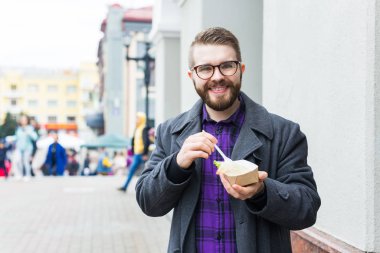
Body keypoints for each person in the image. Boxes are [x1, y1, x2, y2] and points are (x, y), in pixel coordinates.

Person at [135, 27, 321, 253]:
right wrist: (176, 165)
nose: (217, 76)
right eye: (205, 69)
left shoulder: (284, 133)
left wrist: (261, 192)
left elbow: (307, 209)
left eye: (227, 65)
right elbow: (149, 203)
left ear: (241, 69)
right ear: (192, 75)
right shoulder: (170, 133)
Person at [118, 112, 150, 192]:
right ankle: (125, 186)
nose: (136, 120)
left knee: (145, 172)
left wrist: (145, 153)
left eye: (138, 118)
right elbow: (134, 141)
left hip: (142, 154)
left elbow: (146, 141)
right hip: (136, 154)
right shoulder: (137, 128)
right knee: (133, 170)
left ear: (142, 119)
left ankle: (146, 189)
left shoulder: (144, 128)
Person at [14, 115, 38, 181]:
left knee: (25, 161)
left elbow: (35, 137)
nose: (23, 121)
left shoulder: (30, 128)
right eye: (21, 120)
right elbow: (16, 137)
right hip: (19, 147)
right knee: (18, 161)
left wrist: (29, 132)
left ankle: (27, 175)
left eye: (24, 120)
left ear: (27, 121)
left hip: (28, 148)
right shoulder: (18, 128)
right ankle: (20, 175)